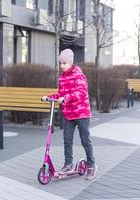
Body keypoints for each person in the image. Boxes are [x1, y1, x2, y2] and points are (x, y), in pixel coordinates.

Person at [42, 48, 97, 180]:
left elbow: (81, 92)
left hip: (82, 113)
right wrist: (49, 97)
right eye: (60, 63)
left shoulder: (79, 75)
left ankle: (91, 165)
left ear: (71, 63)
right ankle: (68, 164)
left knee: (85, 139)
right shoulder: (62, 78)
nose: (62, 66)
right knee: (67, 140)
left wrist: (66, 98)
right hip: (68, 114)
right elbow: (60, 94)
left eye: (64, 63)